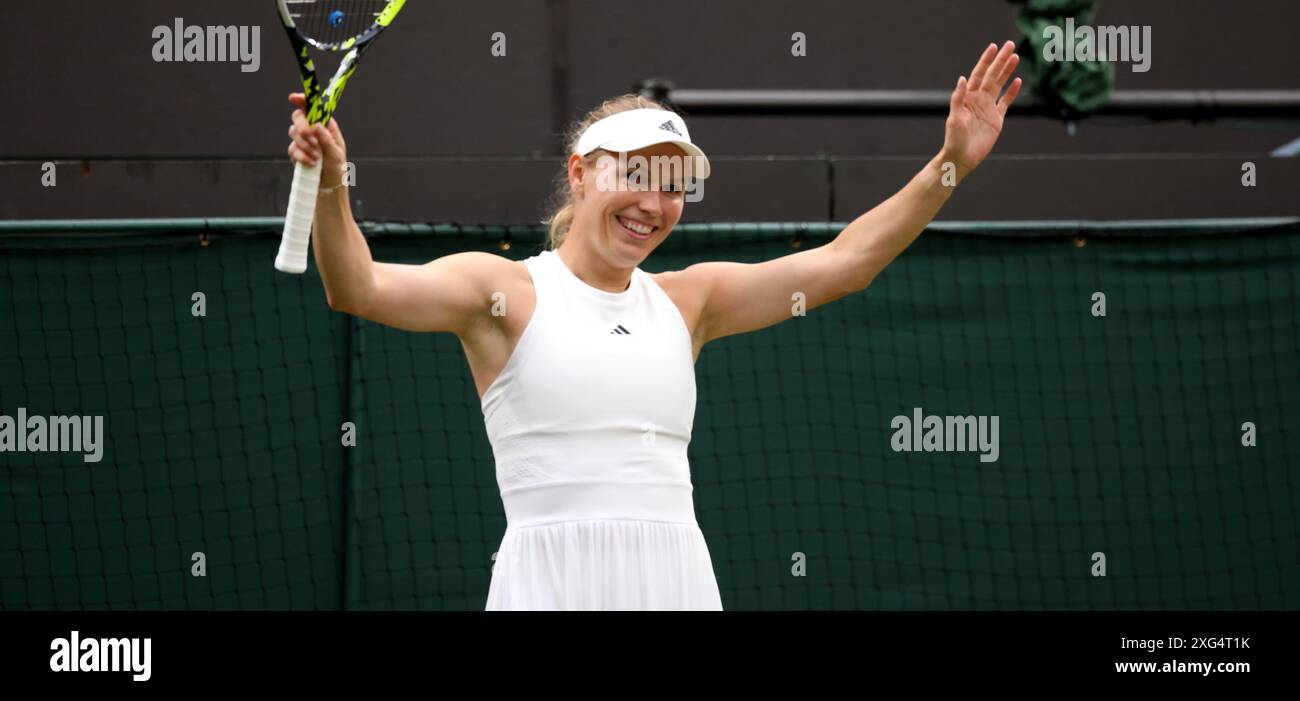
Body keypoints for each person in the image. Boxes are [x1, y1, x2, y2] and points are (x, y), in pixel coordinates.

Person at [285, 40, 1022, 610]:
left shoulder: (687, 301)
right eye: (635, 174)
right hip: (549, 585)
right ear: (580, 174)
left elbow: (847, 262)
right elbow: (359, 287)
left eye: (674, 185)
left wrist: (950, 165)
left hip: (675, 580)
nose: (655, 201)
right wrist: (327, 188)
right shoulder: (500, 291)